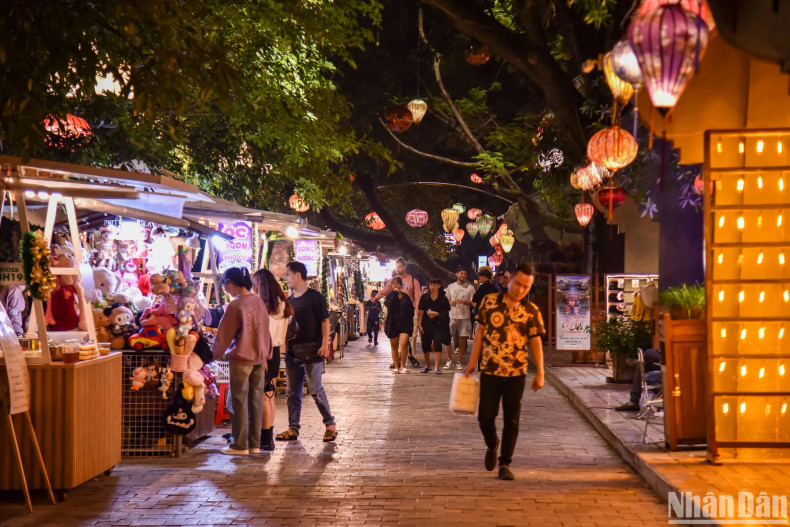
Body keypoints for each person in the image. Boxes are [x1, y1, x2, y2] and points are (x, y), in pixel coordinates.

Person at [465, 263, 545, 481]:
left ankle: (505, 463)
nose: (520, 289)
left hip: (516, 373)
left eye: (526, 286)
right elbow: (480, 332)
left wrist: (540, 373)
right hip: (490, 369)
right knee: (485, 416)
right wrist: (473, 361)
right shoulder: (490, 302)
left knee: (512, 420)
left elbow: (536, 341)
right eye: (518, 284)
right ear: (510, 281)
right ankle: (492, 444)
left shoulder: (531, 311)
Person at [212, 267, 271, 455]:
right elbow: (266, 331)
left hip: (242, 358)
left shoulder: (236, 305)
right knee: (255, 401)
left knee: (238, 401)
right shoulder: (258, 301)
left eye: (224, 286)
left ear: (230, 283)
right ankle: (254, 444)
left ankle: (239, 444)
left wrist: (212, 355)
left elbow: (223, 336)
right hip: (260, 357)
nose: (225, 290)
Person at [276, 261, 337, 443]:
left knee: (315, 389)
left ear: (298, 275)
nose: (285, 278)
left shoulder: (314, 297)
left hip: (312, 350)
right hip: (293, 352)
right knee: (292, 393)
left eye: (287, 274)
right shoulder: (290, 300)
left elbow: (325, 321)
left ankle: (330, 424)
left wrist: (325, 344)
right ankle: (293, 428)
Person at [252, 268, 293, 451]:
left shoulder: (262, 305)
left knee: (263, 397)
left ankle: (265, 438)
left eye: (254, 285)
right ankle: (267, 436)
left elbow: (261, 334)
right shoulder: (282, 303)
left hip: (263, 353)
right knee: (269, 397)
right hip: (275, 351)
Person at [374, 257, 421, 368]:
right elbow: (385, 291)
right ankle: (398, 360)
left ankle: (409, 355)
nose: (398, 269)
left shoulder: (413, 280)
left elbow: (417, 297)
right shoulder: (393, 281)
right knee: (396, 339)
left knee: (411, 337)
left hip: (408, 312)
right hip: (395, 313)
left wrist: (417, 310)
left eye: (400, 267)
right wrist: (376, 298)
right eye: (397, 267)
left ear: (405, 267)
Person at [417, 278, 451, 374]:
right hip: (426, 324)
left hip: (439, 324)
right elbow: (421, 311)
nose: (432, 287)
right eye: (431, 285)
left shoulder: (443, 298)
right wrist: (419, 324)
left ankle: (436, 367)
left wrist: (438, 314)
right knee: (425, 345)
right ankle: (427, 365)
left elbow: (447, 311)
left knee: (437, 343)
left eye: (434, 285)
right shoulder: (424, 297)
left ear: (439, 286)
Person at [445, 267, 476, 369]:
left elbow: (473, 303)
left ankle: (459, 361)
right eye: (461, 273)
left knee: (462, 340)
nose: (463, 276)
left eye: (465, 274)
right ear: (457, 274)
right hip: (452, 316)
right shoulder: (451, 287)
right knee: (448, 338)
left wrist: (465, 302)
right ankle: (449, 360)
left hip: (465, 316)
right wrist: (451, 302)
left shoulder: (470, 287)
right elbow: (446, 301)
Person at [384, 276, 415, 374]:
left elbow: (411, 310)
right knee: (394, 346)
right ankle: (396, 366)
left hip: (404, 323)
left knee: (404, 343)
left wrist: (411, 323)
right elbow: (390, 306)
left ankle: (403, 366)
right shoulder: (389, 296)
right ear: (391, 286)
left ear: (401, 285)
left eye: (398, 283)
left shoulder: (406, 297)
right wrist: (394, 294)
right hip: (393, 323)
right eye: (394, 284)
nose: (396, 285)